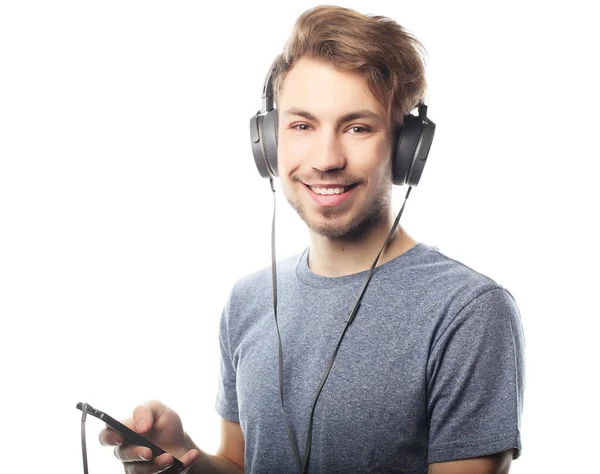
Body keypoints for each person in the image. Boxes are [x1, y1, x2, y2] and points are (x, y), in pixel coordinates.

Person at [99, 5, 525, 473]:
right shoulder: (249, 300)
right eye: (302, 125)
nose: (326, 158)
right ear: (268, 141)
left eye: (357, 127)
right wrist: (182, 459)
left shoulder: (469, 311)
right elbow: (243, 466)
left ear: (406, 148)